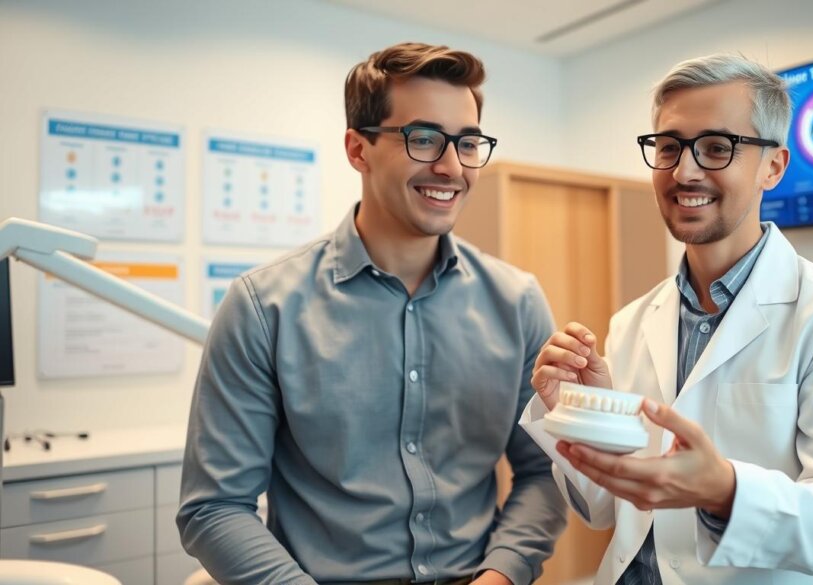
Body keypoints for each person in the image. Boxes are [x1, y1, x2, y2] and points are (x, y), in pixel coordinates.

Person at [178, 42, 566, 585]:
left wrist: (501, 576)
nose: (452, 167)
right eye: (424, 139)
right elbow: (213, 508)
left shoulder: (517, 301)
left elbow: (542, 472)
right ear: (358, 150)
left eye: (468, 142)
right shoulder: (264, 307)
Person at [520, 53, 813, 584]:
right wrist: (578, 418)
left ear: (774, 165)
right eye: (669, 147)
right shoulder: (632, 321)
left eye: (718, 148)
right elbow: (605, 511)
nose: (684, 171)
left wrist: (724, 490)